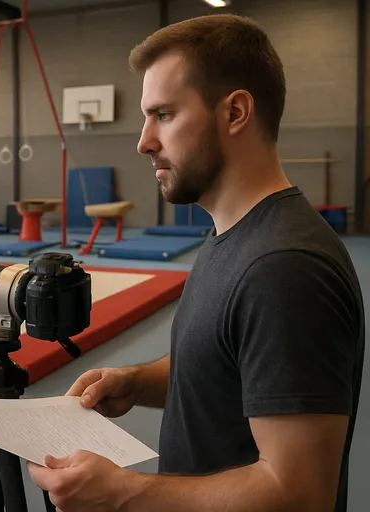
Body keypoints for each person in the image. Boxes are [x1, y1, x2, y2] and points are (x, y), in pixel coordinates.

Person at [27, 13, 365, 512]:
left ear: (235, 113)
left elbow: (300, 493)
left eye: (163, 115)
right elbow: (233, 369)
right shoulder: (233, 235)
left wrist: (124, 493)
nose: (143, 141)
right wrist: (138, 382)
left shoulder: (284, 268)